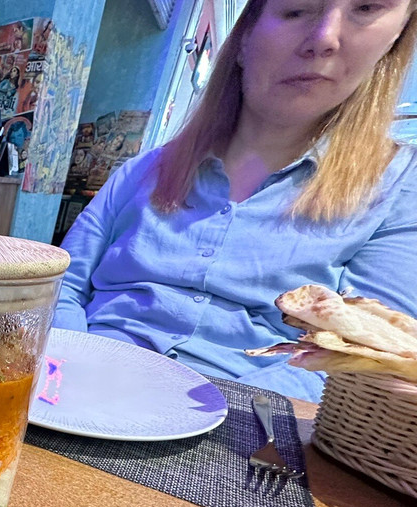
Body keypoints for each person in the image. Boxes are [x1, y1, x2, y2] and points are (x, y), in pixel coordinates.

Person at [53, 0, 417, 402]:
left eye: (366, 8)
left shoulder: (401, 186)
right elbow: (60, 285)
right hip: (84, 385)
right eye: (296, 10)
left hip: (253, 418)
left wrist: (205, 412)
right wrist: (74, 368)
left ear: (397, 34)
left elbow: (365, 360)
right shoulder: (141, 170)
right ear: (243, 38)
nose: (325, 39)